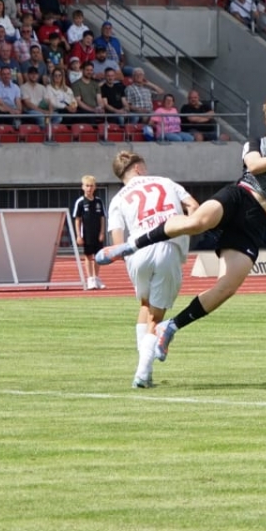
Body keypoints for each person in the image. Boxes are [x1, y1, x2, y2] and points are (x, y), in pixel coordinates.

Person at [97, 93, 266, 362]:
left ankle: (171, 327)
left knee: (227, 287)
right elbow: (254, 165)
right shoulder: (257, 142)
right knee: (196, 222)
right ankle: (130, 245)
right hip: (239, 197)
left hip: (258, 219)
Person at [105, 150, 198, 388]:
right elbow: (193, 206)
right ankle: (143, 374)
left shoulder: (117, 199)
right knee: (157, 317)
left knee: (145, 305)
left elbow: (117, 244)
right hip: (167, 246)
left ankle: (144, 369)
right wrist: (191, 229)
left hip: (137, 251)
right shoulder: (165, 181)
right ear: (137, 168)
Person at [70, 174, 107, 291]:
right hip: (86, 233)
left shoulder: (99, 201)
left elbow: (102, 217)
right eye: (87, 186)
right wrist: (78, 235)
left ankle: (96, 278)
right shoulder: (80, 202)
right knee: (88, 256)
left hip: (97, 233)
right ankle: (90, 279)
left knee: (98, 257)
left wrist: (102, 232)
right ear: (83, 187)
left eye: (91, 186)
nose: (89, 188)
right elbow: (77, 219)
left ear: (95, 187)